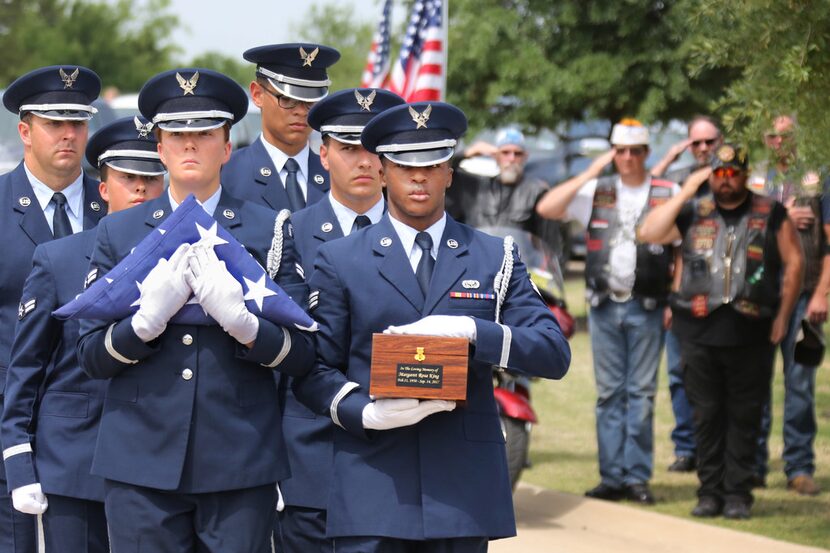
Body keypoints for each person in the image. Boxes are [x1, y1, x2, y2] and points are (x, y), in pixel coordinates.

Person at [292, 101, 570, 552]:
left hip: (462, 488)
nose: (418, 177)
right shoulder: (342, 259)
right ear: (383, 172)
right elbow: (315, 368)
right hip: (374, 482)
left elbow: (553, 353)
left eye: (432, 164)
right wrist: (360, 410)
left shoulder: (493, 256)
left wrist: (479, 333)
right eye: (404, 166)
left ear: (449, 173)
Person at [76, 68, 316, 553]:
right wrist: (141, 325)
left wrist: (248, 327)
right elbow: (89, 355)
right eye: (177, 135)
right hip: (140, 464)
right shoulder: (119, 235)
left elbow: (304, 351)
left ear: (227, 148)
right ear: (159, 150)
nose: (190, 145)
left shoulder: (269, 229)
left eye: (204, 134)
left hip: (239, 460)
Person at [1, 116, 166, 553]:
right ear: (103, 187)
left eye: (151, 179)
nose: (140, 190)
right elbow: (26, 371)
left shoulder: (191, 258)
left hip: (160, 466)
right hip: (75, 463)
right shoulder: (60, 258)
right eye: (128, 177)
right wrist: (19, 463)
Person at [638, 143, 802, 519]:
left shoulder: (769, 211)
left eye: (732, 174)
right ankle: (709, 492)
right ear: (710, 175)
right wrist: (686, 189)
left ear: (745, 175)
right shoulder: (695, 209)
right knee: (706, 415)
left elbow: (794, 263)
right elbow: (649, 232)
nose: (725, 181)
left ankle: (738, 494)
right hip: (696, 328)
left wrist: (783, 316)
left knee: (745, 415)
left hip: (752, 329)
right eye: (718, 174)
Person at [276, 87, 404, 553]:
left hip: (400, 451)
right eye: (350, 148)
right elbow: (288, 345)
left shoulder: (418, 235)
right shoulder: (292, 231)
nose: (365, 161)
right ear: (323, 154)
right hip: (312, 456)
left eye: (375, 150)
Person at [535, 119, 677, 505]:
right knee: (609, 394)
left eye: (634, 151)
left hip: (648, 303)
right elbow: (548, 207)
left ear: (647, 153)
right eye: (620, 151)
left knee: (642, 393)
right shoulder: (599, 188)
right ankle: (612, 476)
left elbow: (681, 248)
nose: (627, 158)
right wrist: (594, 168)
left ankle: (637, 477)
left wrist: (675, 299)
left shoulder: (667, 191)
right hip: (603, 305)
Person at [0, 65, 106, 553]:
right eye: (54, 123)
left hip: (98, 433)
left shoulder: (115, 203)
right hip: (13, 425)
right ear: (25, 130)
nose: (69, 135)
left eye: (78, 123)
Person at [751, 115, 826, 496]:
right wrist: (782, 220)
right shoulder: (756, 179)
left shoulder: (818, 176)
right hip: (761, 298)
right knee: (756, 384)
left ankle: (798, 466)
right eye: (773, 136)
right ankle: (755, 466)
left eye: (787, 135)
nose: (779, 141)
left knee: (799, 386)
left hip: (803, 299)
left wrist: (821, 294)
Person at [651, 115, 723, 474]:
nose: (704, 149)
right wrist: (671, 156)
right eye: (696, 143)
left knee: (727, 377)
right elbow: (648, 191)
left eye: (710, 142)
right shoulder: (680, 181)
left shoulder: (731, 179)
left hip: (725, 294)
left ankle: (730, 452)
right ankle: (686, 448)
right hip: (683, 292)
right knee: (680, 374)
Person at [222, 43, 340, 212]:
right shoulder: (226, 175)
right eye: (287, 99)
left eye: (310, 101)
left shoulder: (337, 177)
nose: (300, 111)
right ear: (257, 95)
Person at [450, 128, 549, 234]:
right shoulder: (478, 187)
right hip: (480, 249)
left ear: (525, 157)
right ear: (496, 156)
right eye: (505, 153)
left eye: (517, 154)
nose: (511, 159)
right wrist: (467, 153)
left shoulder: (536, 191)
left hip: (517, 249)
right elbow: (444, 172)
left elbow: (546, 239)